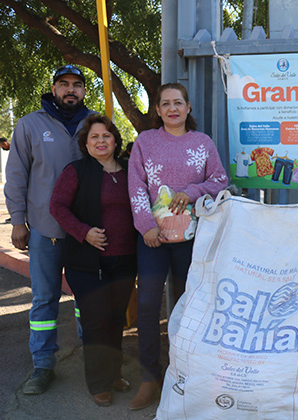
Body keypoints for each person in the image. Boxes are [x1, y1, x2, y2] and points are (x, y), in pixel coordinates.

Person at [127, 82, 228, 410]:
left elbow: (219, 180)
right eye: (166, 104)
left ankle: (187, 375)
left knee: (192, 309)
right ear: (157, 110)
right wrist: (147, 227)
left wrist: (194, 190)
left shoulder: (202, 143)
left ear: (187, 108)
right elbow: (136, 187)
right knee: (147, 306)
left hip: (192, 242)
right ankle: (149, 379)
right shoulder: (145, 142)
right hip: (153, 240)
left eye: (178, 103)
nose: (172, 109)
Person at [5, 64, 94, 395]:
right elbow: (16, 174)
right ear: (53, 89)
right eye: (63, 84)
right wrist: (17, 220)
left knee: (88, 297)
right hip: (45, 229)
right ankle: (42, 365)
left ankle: (94, 364)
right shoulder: (31, 124)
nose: (70, 90)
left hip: (86, 232)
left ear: (84, 90)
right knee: (44, 300)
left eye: (77, 85)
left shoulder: (94, 123)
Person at [49, 114, 137, 407]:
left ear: (115, 140)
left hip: (125, 260)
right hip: (87, 264)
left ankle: (113, 375)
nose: (101, 141)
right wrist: (84, 232)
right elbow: (57, 206)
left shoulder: (128, 169)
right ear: (86, 145)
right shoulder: (76, 171)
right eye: (94, 137)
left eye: (106, 136)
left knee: (115, 322)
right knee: (96, 322)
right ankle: (98, 384)